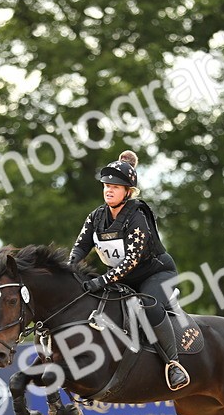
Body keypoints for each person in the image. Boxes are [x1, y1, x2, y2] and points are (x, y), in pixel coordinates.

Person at [69, 150, 190, 390]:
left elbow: (132, 261)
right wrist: (68, 269)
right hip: (120, 278)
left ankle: (173, 364)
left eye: (115, 186)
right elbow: (80, 247)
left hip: (155, 274)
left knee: (149, 305)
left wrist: (101, 280)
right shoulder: (96, 217)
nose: (108, 190)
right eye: (106, 185)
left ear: (128, 191)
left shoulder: (137, 216)